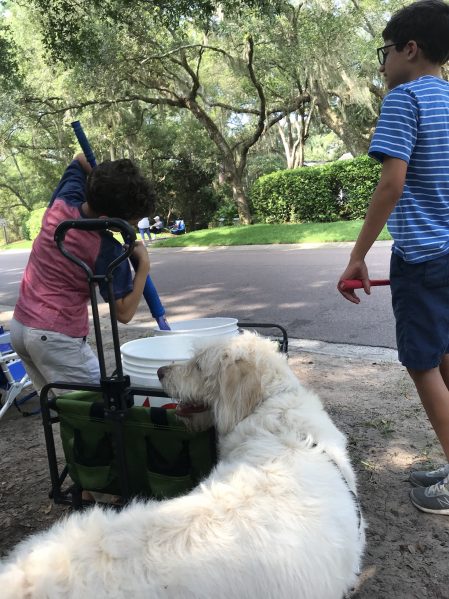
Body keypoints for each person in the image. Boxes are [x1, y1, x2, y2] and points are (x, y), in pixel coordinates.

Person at [338, 0, 449, 515]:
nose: (381, 63)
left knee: (423, 365)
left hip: (424, 258)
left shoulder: (405, 98)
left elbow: (391, 182)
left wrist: (358, 256)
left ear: (411, 48)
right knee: (446, 358)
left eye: (385, 51)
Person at [10, 154, 156, 395]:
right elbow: (124, 312)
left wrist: (107, 180)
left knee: (64, 407)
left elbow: (80, 159)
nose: (128, 230)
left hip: (21, 325)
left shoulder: (64, 200)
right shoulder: (107, 249)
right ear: (105, 220)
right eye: (128, 224)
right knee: (97, 409)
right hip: (55, 337)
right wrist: (143, 267)